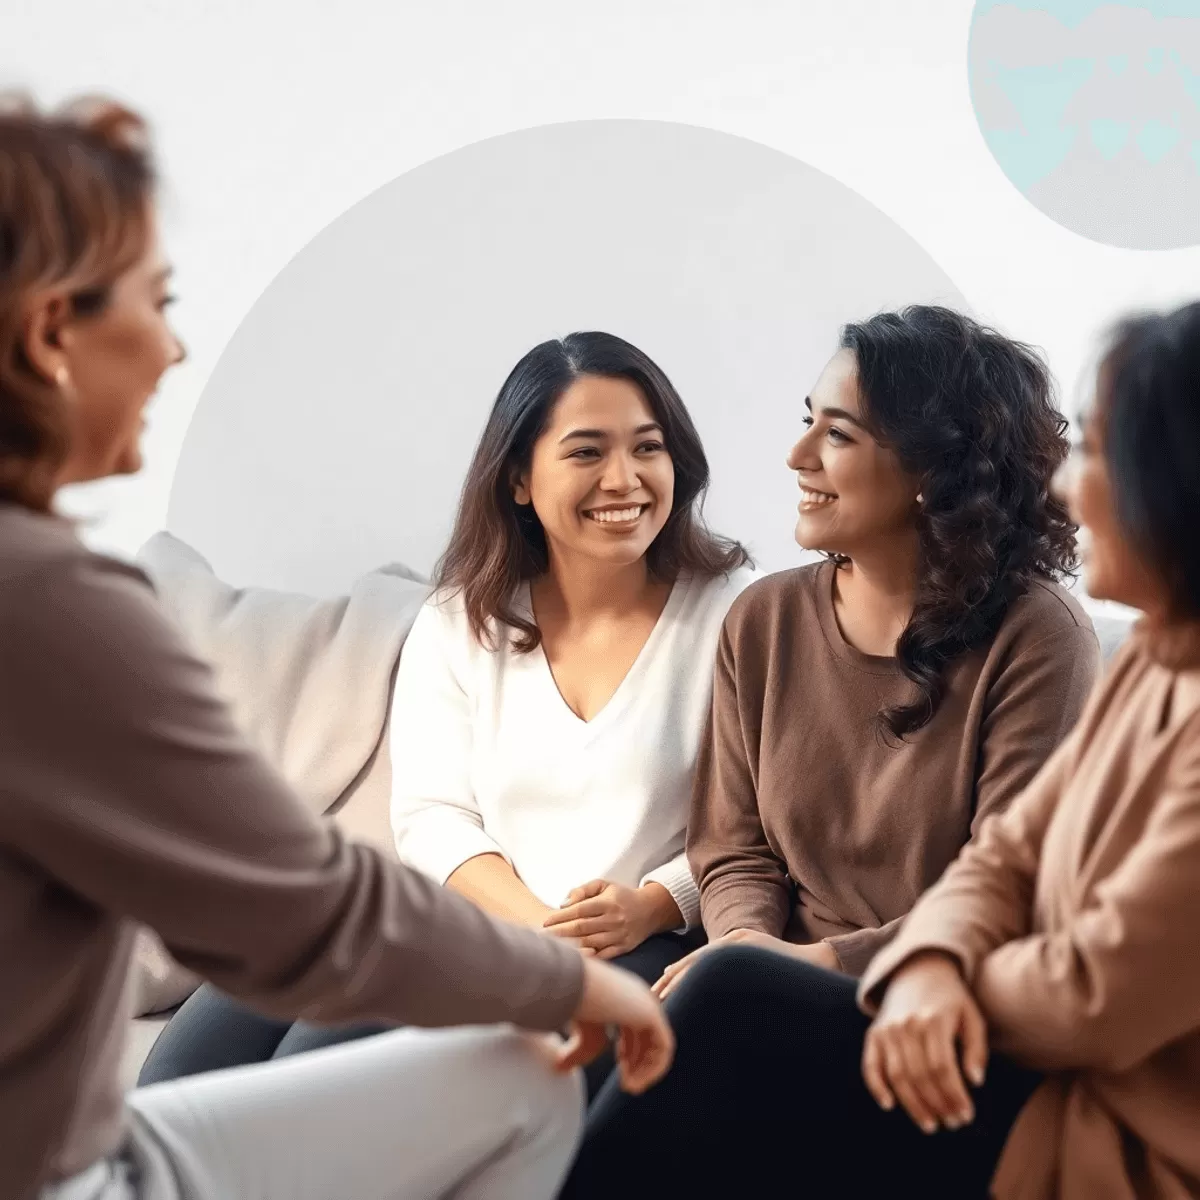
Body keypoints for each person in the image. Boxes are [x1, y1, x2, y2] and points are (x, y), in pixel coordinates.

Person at [0, 96, 674, 1200]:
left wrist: (643, 916)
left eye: (644, 447)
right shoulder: (61, 608)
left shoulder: (730, 616)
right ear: (48, 337)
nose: (172, 346)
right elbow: (309, 914)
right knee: (522, 1080)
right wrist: (564, 981)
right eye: (155, 303)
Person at [559, 300, 1200, 1199]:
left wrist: (905, 976)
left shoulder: (1046, 638)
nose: (1065, 485)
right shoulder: (1161, 663)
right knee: (619, 1018)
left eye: (1096, 452)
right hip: (880, 989)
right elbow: (1007, 862)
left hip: (998, 1073)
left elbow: (1091, 986)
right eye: (807, 424)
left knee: (718, 1008)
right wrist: (806, 951)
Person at [140, 331, 756, 1100]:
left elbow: (760, 823)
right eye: (586, 452)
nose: (624, 479)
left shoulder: (740, 617)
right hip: (480, 921)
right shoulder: (462, 617)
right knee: (182, 1075)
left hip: (634, 944)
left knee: (317, 1070)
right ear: (520, 481)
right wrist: (532, 926)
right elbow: (433, 815)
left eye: (647, 447)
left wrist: (655, 904)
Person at [653, 305, 1099, 1001]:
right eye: (808, 424)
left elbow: (1009, 890)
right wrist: (746, 949)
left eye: (837, 434)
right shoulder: (764, 620)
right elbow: (734, 848)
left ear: (933, 469)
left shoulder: (1040, 637)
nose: (798, 458)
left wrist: (822, 964)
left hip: (934, 998)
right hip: (765, 984)